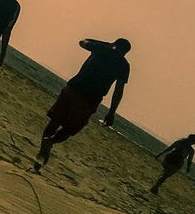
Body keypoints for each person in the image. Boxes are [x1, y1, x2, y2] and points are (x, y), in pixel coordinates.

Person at [33, 37, 130, 170]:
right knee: (70, 129)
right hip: (89, 100)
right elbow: (118, 90)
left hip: (73, 89)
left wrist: (105, 43)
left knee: (55, 121)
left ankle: (43, 151)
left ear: (114, 44)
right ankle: (50, 142)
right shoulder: (124, 65)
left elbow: (82, 41)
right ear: (125, 52)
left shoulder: (100, 48)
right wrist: (112, 112)